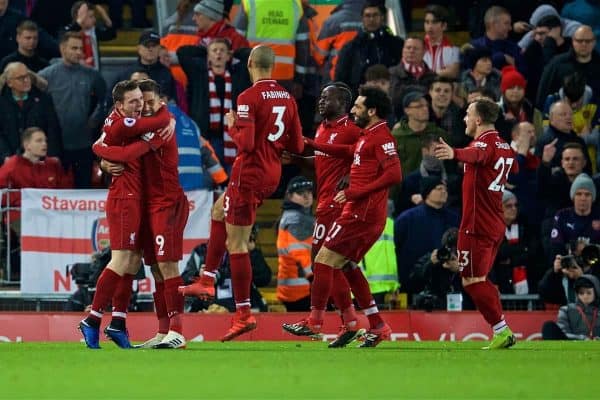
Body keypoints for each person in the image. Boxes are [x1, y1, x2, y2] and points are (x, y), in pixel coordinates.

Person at [178, 45, 304, 341]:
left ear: (249, 63)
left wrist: (232, 126)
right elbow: (297, 146)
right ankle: (207, 280)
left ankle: (244, 313)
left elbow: (245, 144)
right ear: (272, 67)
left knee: (237, 245)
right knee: (218, 211)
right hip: (272, 173)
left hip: (249, 173)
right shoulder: (288, 98)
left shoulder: (247, 97)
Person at [285, 86, 402, 348]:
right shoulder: (361, 136)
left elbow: (393, 175)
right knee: (344, 265)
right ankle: (375, 325)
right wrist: (304, 151)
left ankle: (317, 320)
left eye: (357, 107)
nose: (352, 111)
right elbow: (342, 155)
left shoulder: (368, 134)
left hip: (355, 210)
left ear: (370, 110)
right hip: (345, 206)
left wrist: (354, 189)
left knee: (324, 260)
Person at [78, 80, 171, 349]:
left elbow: (100, 143)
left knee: (132, 262)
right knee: (120, 260)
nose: (139, 105)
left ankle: (118, 322)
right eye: (133, 101)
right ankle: (92, 319)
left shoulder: (120, 120)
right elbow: (131, 149)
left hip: (138, 199)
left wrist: (102, 154)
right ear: (119, 105)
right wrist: (163, 119)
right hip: (124, 198)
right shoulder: (125, 123)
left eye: (141, 100)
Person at [282, 82, 363, 347]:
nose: (320, 101)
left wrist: (352, 176)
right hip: (324, 202)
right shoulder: (323, 129)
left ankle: (317, 319)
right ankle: (351, 322)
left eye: (327, 98)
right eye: (320, 96)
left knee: (321, 260)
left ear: (343, 104)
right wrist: (296, 160)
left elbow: (368, 158)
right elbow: (321, 164)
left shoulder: (352, 131)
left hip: (338, 206)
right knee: (335, 264)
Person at [434, 99, 519, 349]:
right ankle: (501, 328)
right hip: (494, 222)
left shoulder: (484, 143)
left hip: (476, 225)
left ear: (479, 120)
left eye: (468, 115)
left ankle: (501, 330)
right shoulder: (503, 145)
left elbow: (478, 154)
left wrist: (455, 153)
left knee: (472, 280)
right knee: (478, 278)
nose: (464, 119)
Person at [38, 31, 107, 188]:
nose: (78, 52)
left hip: (84, 143)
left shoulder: (92, 75)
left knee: (83, 187)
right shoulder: (46, 75)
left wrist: (94, 121)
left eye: (80, 49)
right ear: (62, 49)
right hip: (55, 145)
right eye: (74, 48)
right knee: (54, 188)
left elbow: (105, 101)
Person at [394, 176, 460, 296]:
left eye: (445, 188)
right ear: (427, 193)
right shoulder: (407, 219)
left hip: (449, 285)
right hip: (413, 284)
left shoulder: (455, 218)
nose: (444, 191)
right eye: (439, 188)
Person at [0, 61, 62, 163]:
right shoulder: (2, 102)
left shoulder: (43, 99)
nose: (26, 80)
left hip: (40, 159)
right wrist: (5, 156)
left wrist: (52, 155)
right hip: (10, 160)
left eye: (27, 76)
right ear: (9, 82)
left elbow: (53, 129)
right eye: (20, 78)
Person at [276, 176, 314, 311]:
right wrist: (316, 279)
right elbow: (300, 252)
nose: (306, 197)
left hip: (293, 288)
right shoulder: (296, 218)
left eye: (309, 192)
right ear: (290, 196)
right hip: (302, 290)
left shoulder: (290, 216)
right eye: (300, 193)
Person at [541, 274, 600, 340]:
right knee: (548, 326)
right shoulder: (566, 310)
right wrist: (583, 338)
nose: (585, 296)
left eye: (589, 293)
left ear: (596, 293)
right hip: (573, 345)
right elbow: (564, 333)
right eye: (581, 293)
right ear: (577, 294)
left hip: (597, 346)